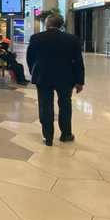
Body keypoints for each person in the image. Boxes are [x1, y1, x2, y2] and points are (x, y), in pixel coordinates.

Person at [27, 14, 85, 146]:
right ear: (61, 25)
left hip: (43, 77)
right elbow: (78, 61)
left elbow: (30, 58)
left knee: (45, 105)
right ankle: (66, 134)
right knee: (65, 105)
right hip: (65, 78)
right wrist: (79, 81)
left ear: (47, 24)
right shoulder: (72, 39)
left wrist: (33, 72)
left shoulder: (36, 38)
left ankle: (48, 137)